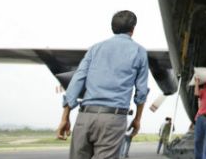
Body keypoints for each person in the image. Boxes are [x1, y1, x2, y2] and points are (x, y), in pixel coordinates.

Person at [57, 10, 149, 159]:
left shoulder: (95, 49)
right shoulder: (139, 52)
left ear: (113, 28)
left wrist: (65, 117)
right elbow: (142, 91)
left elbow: (77, 80)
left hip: (85, 116)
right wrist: (137, 119)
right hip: (113, 119)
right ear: (133, 29)